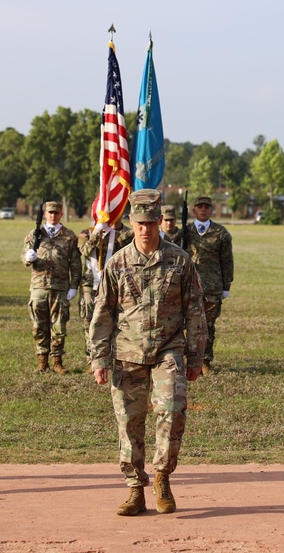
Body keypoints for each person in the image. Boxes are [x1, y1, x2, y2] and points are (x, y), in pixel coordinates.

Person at [89, 189, 207, 516]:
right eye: (140, 222)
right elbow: (103, 314)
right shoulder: (117, 262)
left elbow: (195, 310)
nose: (145, 229)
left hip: (169, 349)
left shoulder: (180, 260)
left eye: (152, 221)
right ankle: (134, 489)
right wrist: (99, 358)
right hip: (127, 353)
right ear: (131, 222)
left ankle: (162, 477)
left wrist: (196, 357)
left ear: (159, 222)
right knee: (130, 421)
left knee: (172, 411)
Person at [22, 200, 81, 374]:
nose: (53, 216)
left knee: (59, 326)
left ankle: (57, 361)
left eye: (56, 213)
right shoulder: (35, 234)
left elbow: (75, 264)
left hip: (60, 288)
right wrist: (28, 257)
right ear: (45, 214)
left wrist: (74, 286)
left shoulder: (69, 236)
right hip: (39, 287)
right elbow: (24, 258)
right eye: (50, 213)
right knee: (39, 326)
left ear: (61, 214)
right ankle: (42, 361)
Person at [179, 195, 234, 373]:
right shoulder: (185, 232)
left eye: (206, 207)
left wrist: (226, 286)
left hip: (212, 287)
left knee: (208, 326)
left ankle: (205, 360)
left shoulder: (221, 233)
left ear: (211, 210)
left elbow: (227, 261)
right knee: (188, 325)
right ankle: (188, 359)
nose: (203, 209)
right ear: (194, 210)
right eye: (199, 207)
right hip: (189, 287)